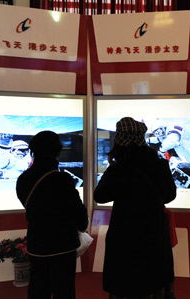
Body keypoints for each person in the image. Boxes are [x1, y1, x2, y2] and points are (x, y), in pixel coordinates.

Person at [94, 117, 177, 299]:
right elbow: (170, 196)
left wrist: (111, 169)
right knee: (154, 279)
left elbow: (99, 196)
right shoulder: (160, 165)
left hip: (125, 237)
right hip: (155, 233)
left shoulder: (118, 169)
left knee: (127, 284)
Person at [16, 130, 89, 299]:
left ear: (33, 151)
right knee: (64, 292)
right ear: (57, 151)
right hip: (63, 246)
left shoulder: (23, 179)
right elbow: (79, 217)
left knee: (37, 291)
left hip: (36, 245)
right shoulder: (62, 180)